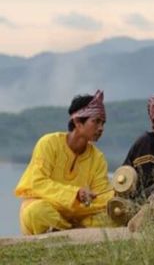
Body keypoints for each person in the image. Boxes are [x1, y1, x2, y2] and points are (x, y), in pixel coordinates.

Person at [15, 91, 113, 235]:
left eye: (103, 123)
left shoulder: (98, 158)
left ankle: (68, 232)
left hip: (80, 216)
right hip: (48, 209)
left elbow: (102, 196)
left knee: (115, 216)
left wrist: (114, 196)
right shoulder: (49, 143)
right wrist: (75, 194)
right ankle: (74, 232)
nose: (101, 128)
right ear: (77, 122)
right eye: (96, 121)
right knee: (37, 212)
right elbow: (37, 182)